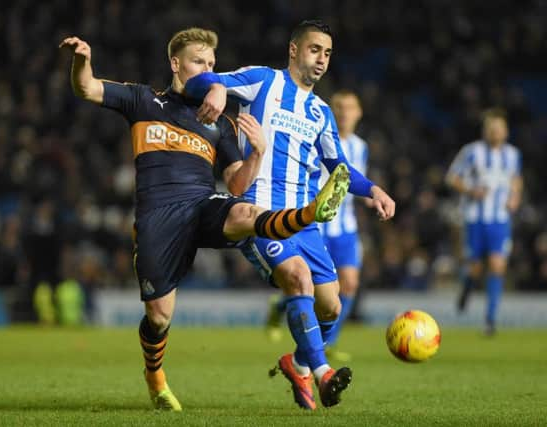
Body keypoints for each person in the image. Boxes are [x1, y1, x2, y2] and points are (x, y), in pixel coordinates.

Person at [59, 27, 351, 411]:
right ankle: (155, 376)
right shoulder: (143, 100)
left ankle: (308, 214)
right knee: (160, 318)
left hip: (203, 205)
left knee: (247, 210)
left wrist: (257, 154)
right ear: (176, 63)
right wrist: (82, 61)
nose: (208, 69)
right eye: (199, 61)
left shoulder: (219, 122)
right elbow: (87, 88)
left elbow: (236, 184)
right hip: (159, 216)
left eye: (212, 64)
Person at [185, 20, 395, 409]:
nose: (322, 59)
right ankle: (322, 374)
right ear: (294, 50)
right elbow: (198, 82)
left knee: (331, 305)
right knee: (298, 279)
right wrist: (214, 86)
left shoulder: (320, 111)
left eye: (328, 53)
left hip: (305, 224)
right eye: (315, 49)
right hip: (259, 215)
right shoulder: (262, 81)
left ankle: (297, 362)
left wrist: (374, 190)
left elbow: (339, 166)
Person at [265, 89, 372, 362]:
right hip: (316, 224)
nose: (345, 113)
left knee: (349, 284)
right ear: (332, 112)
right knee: (314, 287)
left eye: (350, 108)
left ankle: (328, 342)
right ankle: (281, 306)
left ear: (358, 113)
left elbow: (349, 180)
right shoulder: (316, 138)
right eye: (339, 107)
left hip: (346, 227)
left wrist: (369, 196)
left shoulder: (361, 147)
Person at [446, 108, 523, 336]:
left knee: (498, 266)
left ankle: (490, 320)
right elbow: (452, 178)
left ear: (506, 131)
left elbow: (516, 179)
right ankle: (468, 286)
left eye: (499, 129)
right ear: (485, 131)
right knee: (475, 269)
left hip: (500, 220)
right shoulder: (472, 152)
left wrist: (515, 197)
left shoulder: (513, 154)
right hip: (475, 219)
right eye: (491, 129)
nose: (495, 133)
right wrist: (470, 190)